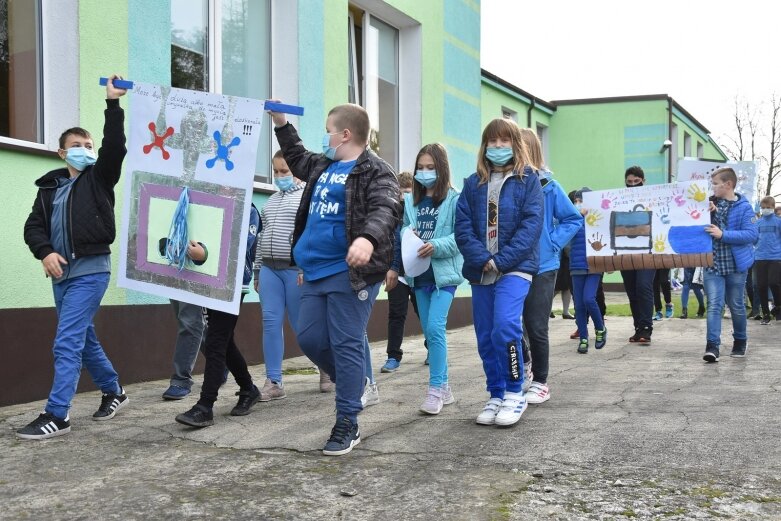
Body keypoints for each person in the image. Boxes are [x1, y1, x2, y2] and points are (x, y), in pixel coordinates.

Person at [268, 102, 400, 456]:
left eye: (328, 129)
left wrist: (366, 239)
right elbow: (295, 156)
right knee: (310, 339)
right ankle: (357, 382)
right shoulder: (323, 165)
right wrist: (281, 123)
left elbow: (386, 207)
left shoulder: (376, 170)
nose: (324, 137)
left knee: (345, 342)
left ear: (345, 134)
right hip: (312, 272)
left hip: (350, 272)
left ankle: (347, 421)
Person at [18, 76, 129, 440]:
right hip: (61, 275)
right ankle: (114, 391)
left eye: (88, 144)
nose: (85, 149)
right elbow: (33, 228)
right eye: (76, 145)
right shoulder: (49, 189)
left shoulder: (99, 178)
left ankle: (58, 413)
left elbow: (115, 146)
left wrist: (112, 105)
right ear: (62, 153)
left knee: (66, 341)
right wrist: (45, 252)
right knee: (84, 338)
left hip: (91, 270)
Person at [455, 118, 543, 427]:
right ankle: (495, 393)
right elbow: (462, 227)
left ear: (516, 145)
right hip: (481, 271)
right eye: (492, 142)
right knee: (485, 336)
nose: (497, 147)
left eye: (504, 142)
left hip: (515, 269)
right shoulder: (472, 184)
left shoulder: (529, 180)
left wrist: (502, 260)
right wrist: (483, 258)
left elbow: (531, 225)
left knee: (505, 326)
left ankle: (514, 392)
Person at [175, 204, 263, 426]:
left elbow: (242, 246)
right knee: (224, 341)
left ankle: (205, 406)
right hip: (208, 281)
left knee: (215, 341)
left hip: (231, 285)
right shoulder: (208, 201)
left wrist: (205, 253)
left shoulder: (249, 209)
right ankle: (248, 388)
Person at [517, 128, 581, 404]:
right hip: (512, 265)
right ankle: (525, 365)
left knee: (535, 324)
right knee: (511, 325)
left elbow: (573, 219)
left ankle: (541, 381)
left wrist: (552, 242)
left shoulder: (549, 187)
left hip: (543, 266)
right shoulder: (507, 186)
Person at [400, 143, 464, 415]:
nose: (424, 173)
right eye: (420, 168)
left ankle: (435, 389)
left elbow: (460, 236)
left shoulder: (454, 199)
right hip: (419, 276)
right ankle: (445, 387)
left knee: (436, 327)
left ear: (442, 169)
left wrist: (436, 246)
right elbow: (402, 230)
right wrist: (408, 234)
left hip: (445, 275)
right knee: (430, 331)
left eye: (430, 168)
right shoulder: (410, 202)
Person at [252, 150, 318, 401]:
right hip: (269, 269)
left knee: (303, 326)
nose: (280, 177)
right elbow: (261, 237)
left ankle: (325, 368)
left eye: (285, 172)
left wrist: (304, 268)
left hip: (294, 271)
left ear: (298, 173)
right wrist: (258, 271)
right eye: (276, 171)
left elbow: (310, 236)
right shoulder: (271, 201)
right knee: (270, 322)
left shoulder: (307, 199)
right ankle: (274, 381)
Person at [702, 167, 758, 362]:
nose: (713, 187)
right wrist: (706, 213)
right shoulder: (708, 203)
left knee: (736, 305)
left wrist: (723, 234)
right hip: (712, 265)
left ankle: (740, 341)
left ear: (728, 184)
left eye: (716, 183)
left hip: (735, 266)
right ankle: (712, 346)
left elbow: (752, 235)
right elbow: (700, 227)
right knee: (714, 305)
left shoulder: (744, 207)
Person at [381, 171, 424, 373]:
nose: (404, 196)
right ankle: (393, 356)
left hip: (418, 273)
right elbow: (390, 244)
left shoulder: (420, 213)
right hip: (397, 273)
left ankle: (432, 349)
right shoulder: (392, 215)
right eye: (401, 192)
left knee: (424, 314)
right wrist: (390, 268)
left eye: (408, 192)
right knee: (396, 315)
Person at [161, 240, 208, 400]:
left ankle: (181, 380)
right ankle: (221, 359)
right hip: (174, 267)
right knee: (186, 321)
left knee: (190, 322)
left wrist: (204, 252)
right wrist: (164, 245)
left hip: (197, 267)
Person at [567, 188, 607, 354]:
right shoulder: (572, 220)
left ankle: (600, 329)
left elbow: (607, 239)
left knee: (589, 299)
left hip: (594, 265)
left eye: (582, 200)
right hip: (576, 266)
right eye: (576, 200)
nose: (578, 203)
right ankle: (583, 338)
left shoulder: (598, 219)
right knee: (579, 305)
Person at [620, 166, 655, 344]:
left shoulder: (654, 199)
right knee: (632, 290)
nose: (633, 184)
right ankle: (638, 327)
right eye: (630, 182)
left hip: (648, 252)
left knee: (643, 286)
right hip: (626, 251)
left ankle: (647, 327)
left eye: (637, 181)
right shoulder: (619, 201)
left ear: (643, 180)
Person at [753, 196, 781, 324]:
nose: (765, 210)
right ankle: (765, 314)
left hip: (776, 257)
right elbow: (753, 239)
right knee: (761, 286)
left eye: (768, 208)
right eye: (763, 208)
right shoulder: (758, 223)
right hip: (760, 257)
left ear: (773, 207)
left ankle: (778, 308)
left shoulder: (778, 222)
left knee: (774, 283)